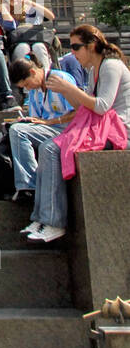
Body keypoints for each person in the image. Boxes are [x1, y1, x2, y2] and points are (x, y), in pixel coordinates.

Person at [24, 24, 130, 243]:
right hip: (103, 128)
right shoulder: (95, 69)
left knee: (53, 148)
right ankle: (41, 218)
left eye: (76, 47)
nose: (72, 52)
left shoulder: (111, 66)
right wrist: (64, 90)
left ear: (91, 46)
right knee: (47, 147)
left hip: (120, 131)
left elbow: (101, 106)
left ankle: (54, 222)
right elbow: (85, 107)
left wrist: (70, 89)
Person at [5, 53, 76, 201]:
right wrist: (27, 121)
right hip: (48, 129)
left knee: (18, 132)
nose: (28, 88)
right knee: (14, 129)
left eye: (26, 84)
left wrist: (51, 122)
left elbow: (77, 111)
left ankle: (30, 185)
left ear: (32, 72)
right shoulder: (35, 91)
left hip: (67, 129)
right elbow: (37, 117)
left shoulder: (60, 79)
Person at [0, 0, 56, 68]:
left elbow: (50, 17)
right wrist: (4, 9)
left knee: (39, 47)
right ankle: (21, 77)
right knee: (22, 47)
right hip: (16, 44)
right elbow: (11, 27)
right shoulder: (3, 12)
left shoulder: (32, 9)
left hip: (37, 41)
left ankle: (44, 77)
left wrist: (30, 3)